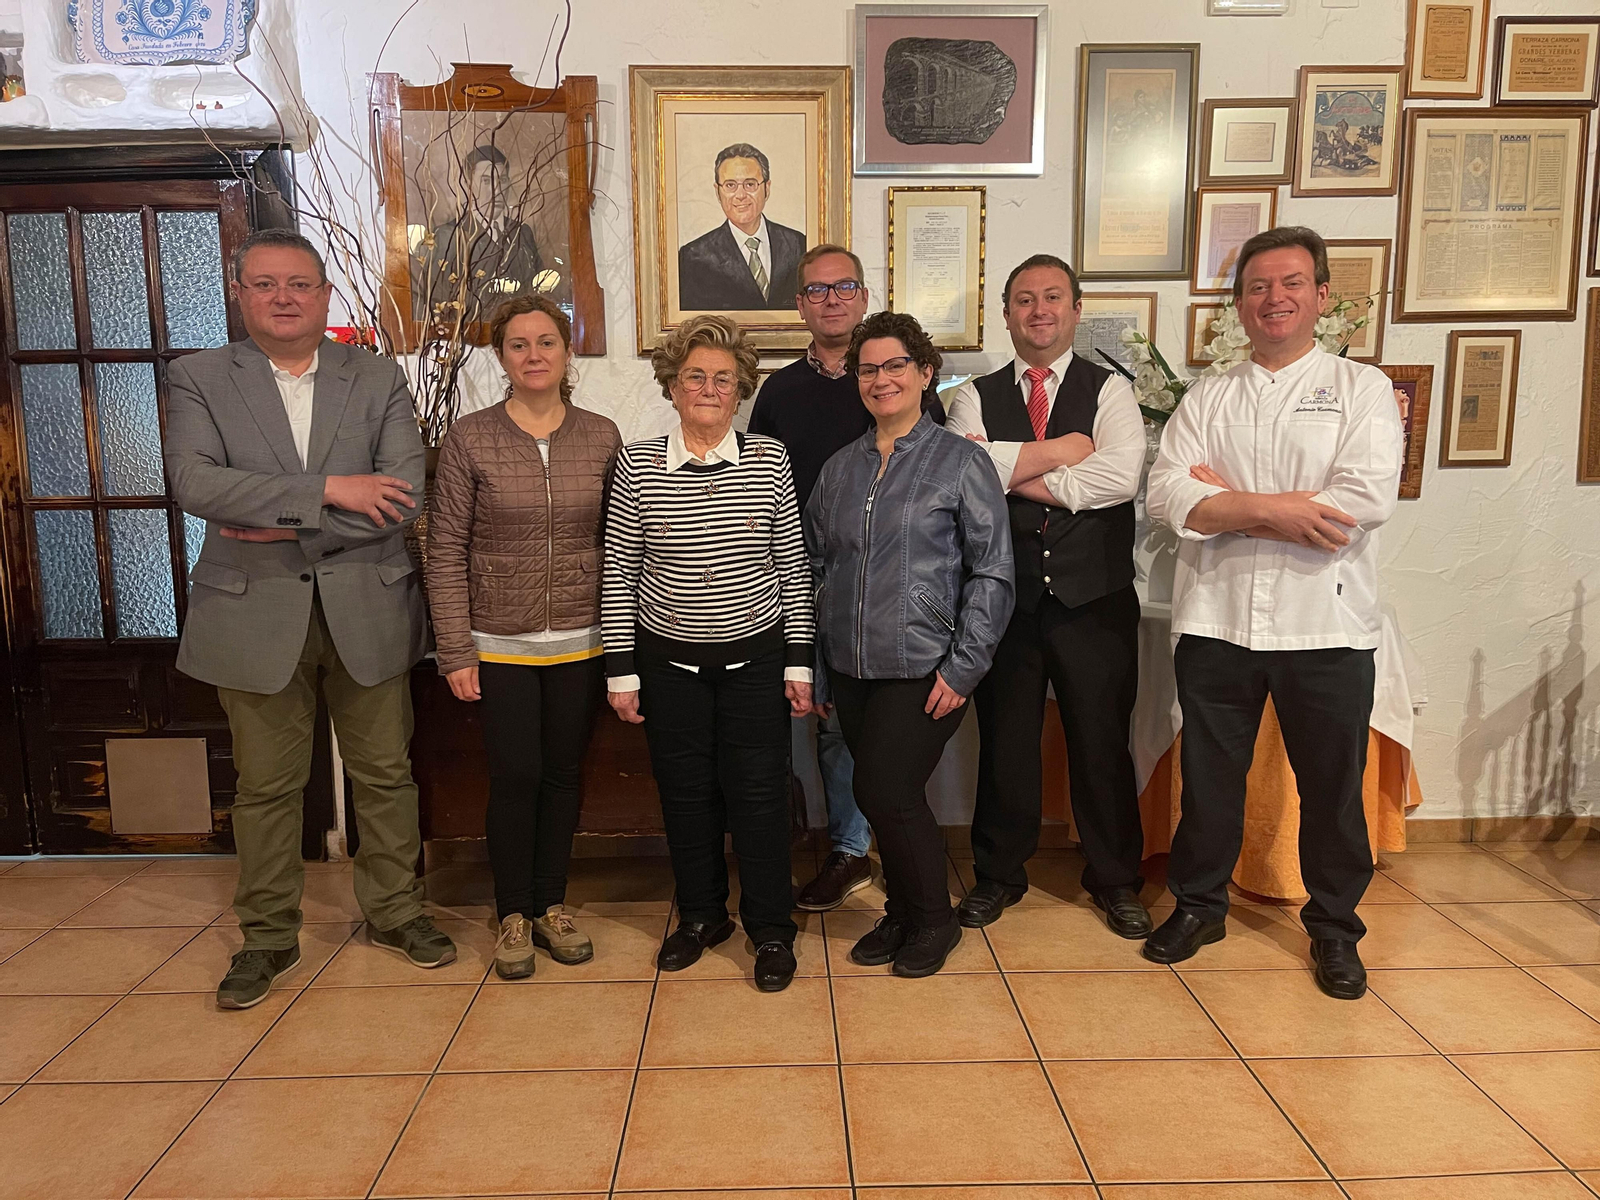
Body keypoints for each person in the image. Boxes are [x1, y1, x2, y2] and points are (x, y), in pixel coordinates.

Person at [164, 228, 455, 1011]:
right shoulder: (197, 378)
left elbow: (400, 496)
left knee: (386, 776)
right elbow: (196, 483)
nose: (283, 297)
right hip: (252, 615)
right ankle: (266, 935)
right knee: (265, 788)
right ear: (241, 292)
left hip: (368, 603)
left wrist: (276, 514)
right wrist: (329, 489)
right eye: (264, 284)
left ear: (326, 295)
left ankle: (396, 913)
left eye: (298, 284)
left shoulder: (377, 375)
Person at [1144, 226, 1403, 1000]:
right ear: (1240, 303)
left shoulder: (1360, 391)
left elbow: (1362, 499)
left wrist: (1227, 503)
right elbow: (1166, 496)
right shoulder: (1209, 394)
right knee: (1210, 778)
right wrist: (1280, 510)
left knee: (1331, 787)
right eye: (1258, 287)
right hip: (1217, 619)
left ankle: (1333, 929)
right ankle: (1200, 906)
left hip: (1326, 624)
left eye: (1291, 283)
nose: (1274, 299)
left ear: (1321, 296)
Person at [601, 314, 815, 993]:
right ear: (672, 385)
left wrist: (799, 660)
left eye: (723, 379)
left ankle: (771, 929)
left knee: (758, 797)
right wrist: (621, 670)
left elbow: (792, 567)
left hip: (756, 659)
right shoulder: (636, 463)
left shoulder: (769, 458)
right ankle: (701, 917)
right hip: (668, 666)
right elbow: (620, 572)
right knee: (686, 797)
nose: (708, 387)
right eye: (694, 375)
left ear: (741, 390)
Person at [945, 254, 1151, 939]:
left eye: (1052, 298)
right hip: (1006, 602)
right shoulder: (971, 395)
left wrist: (1014, 472)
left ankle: (1116, 878)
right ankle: (999, 875)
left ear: (1075, 309)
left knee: (1101, 743)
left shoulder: (1111, 390)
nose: (1039, 311)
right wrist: (1065, 451)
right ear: (1006, 314)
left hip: (1096, 599)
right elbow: (966, 470)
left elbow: (1118, 481)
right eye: (1024, 299)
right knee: (1005, 745)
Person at [805, 311, 1014, 978]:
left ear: (926, 374)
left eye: (896, 365)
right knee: (877, 795)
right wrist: (817, 667)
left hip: (928, 665)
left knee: (887, 788)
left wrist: (966, 664)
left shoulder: (961, 461)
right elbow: (815, 572)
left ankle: (931, 919)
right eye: (868, 368)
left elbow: (993, 570)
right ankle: (901, 913)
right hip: (851, 666)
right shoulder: (839, 470)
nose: (881, 378)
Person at [424, 295, 621, 980]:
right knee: (516, 775)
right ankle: (513, 910)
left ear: (567, 353)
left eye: (546, 342)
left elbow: (621, 544)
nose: (534, 355)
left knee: (565, 776)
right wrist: (454, 648)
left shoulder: (601, 436)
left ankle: (551, 904)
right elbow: (444, 547)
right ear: (501, 356)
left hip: (581, 640)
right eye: (518, 344)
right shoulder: (470, 438)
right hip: (497, 643)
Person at [748, 243, 926, 911]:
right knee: (825, 718)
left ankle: (889, 852)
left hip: (888, 583)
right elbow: (761, 481)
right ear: (799, 305)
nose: (830, 299)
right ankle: (849, 850)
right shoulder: (780, 391)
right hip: (804, 577)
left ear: (863, 296)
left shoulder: (890, 378)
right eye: (816, 290)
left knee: (884, 724)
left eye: (842, 287)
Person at [416, 143, 553, 325]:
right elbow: (436, 301)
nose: (497, 191)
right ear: (467, 184)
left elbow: (539, 292)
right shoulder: (447, 236)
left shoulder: (522, 233)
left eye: (502, 180)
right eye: (486, 181)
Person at [678, 142, 806, 312]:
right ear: (718, 192)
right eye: (730, 185)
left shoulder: (798, 244)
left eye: (750, 184)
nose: (740, 195)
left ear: (767, 188)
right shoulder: (694, 257)